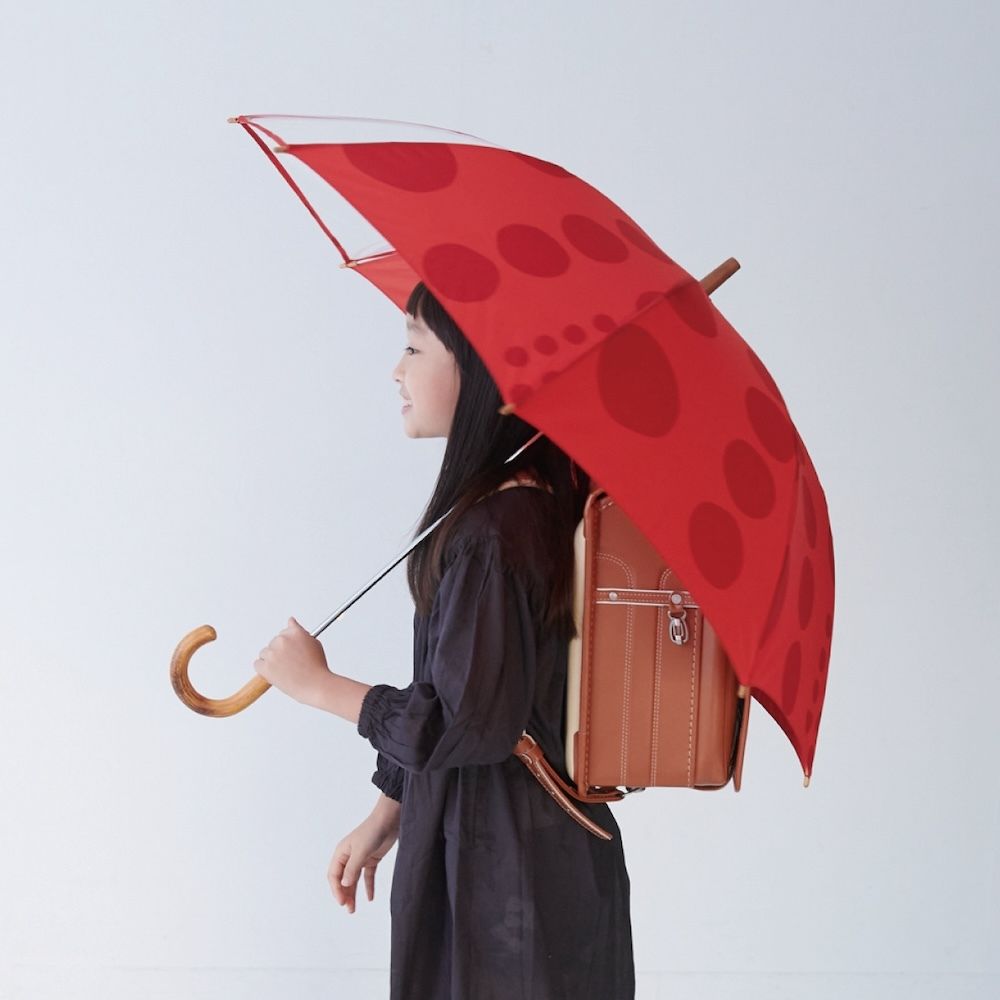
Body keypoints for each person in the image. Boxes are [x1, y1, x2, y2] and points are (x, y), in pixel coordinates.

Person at [252, 281, 636, 999]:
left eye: (413, 347)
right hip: (506, 855)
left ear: (482, 368)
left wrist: (321, 687)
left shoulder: (500, 531)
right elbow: (464, 690)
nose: (395, 370)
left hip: (508, 876)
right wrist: (387, 812)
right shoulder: (509, 511)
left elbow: (463, 723)